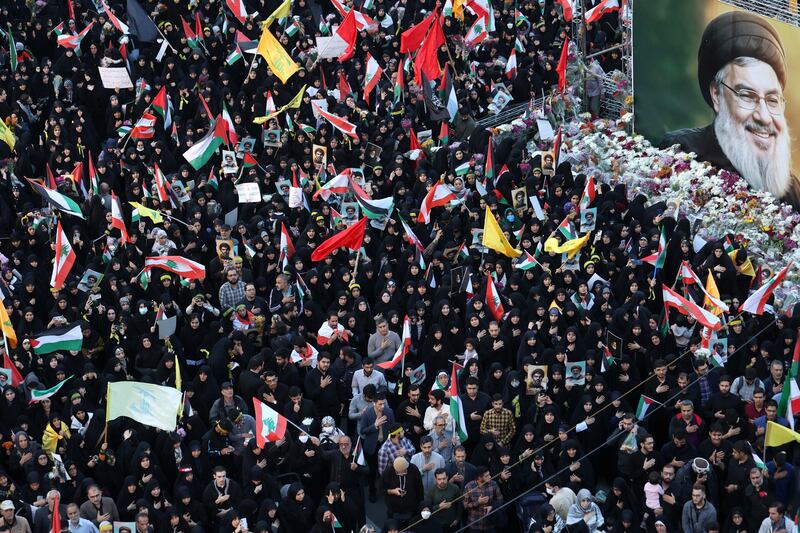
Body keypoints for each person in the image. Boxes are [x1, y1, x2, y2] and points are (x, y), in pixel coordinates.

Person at [660, 11, 800, 208]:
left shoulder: (791, 189)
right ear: (717, 95)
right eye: (747, 96)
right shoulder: (680, 151)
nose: (764, 117)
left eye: (772, 99)